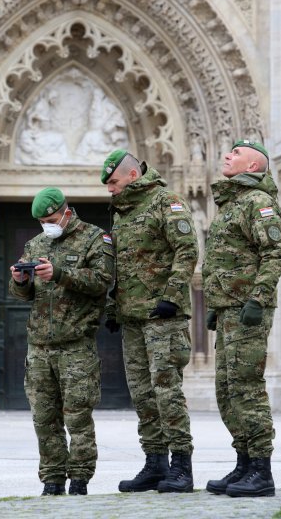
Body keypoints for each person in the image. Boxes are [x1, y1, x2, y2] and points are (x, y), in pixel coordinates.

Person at [101, 149, 198, 494]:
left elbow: (186, 248)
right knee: (142, 394)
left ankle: (181, 466)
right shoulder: (123, 212)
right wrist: (115, 308)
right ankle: (155, 462)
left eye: (113, 182)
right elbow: (122, 267)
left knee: (166, 390)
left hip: (162, 316)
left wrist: (171, 296)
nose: (109, 189)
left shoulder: (165, 201)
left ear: (131, 175)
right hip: (132, 318)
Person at [9, 187, 114, 496]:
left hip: (75, 345)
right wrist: (20, 282)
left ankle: (80, 478)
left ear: (67, 213)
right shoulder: (36, 244)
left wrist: (60, 273)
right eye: (42, 221)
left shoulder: (95, 239)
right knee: (44, 418)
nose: (47, 225)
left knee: (78, 416)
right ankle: (52, 478)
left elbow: (101, 282)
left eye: (52, 219)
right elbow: (24, 295)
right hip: (39, 346)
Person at [202, 139, 281, 498]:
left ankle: (262, 471)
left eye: (236, 154)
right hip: (228, 309)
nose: (227, 155)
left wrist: (257, 298)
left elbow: (275, 255)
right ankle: (243, 463)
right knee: (226, 390)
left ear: (253, 167)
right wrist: (216, 303)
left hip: (247, 311)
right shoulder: (231, 204)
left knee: (246, 388)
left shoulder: (258, 202)